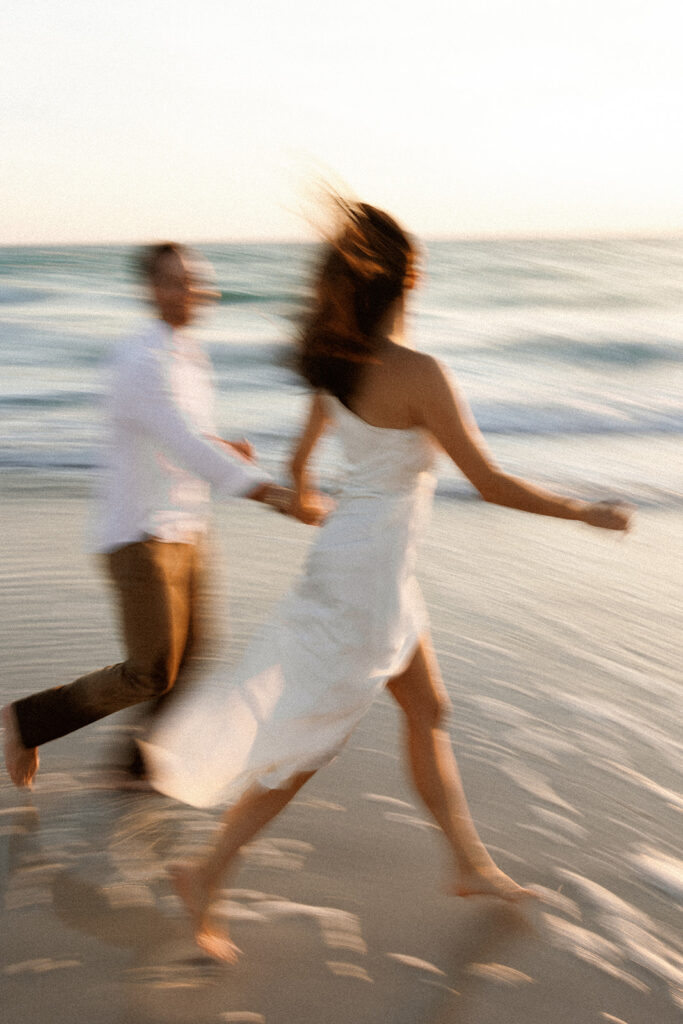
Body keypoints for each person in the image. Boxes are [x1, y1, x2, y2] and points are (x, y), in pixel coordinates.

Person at [140, 203, 632, 962]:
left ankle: (469, 865)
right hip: (368, 577)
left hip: (362, 565)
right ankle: (203, 873)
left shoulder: (335, 367)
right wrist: (582, 512)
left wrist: (316, 507)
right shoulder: (419, 372)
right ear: (402, 275)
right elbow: (489, 481)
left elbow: (301, 473)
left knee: (426, 709)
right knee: (312, 740)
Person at [2, 242, 319, 790]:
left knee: (196, 649)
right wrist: (274, 495)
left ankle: (134, 763)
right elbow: (185, 443)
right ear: (151, 289)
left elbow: (180, 437)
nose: (190, 290)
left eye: (195, 279)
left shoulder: (189, 355)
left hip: (186, 526)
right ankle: (25, 721)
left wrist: (223, 446)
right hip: (139, 533)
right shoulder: (140, 360)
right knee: (150, 669)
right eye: (175, 281)